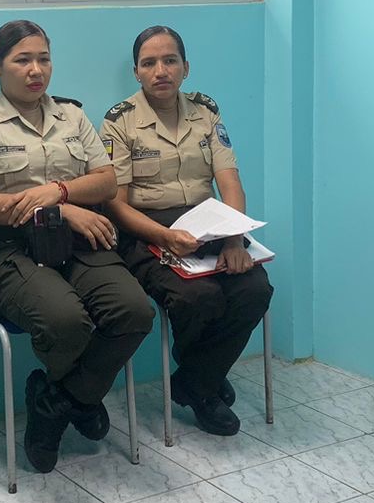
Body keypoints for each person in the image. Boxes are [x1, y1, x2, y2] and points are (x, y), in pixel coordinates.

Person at [0, 19, 154, 472]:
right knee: (65, 321)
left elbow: (107, 180)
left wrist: (57, 193)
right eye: (22, 60)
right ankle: (82, 397)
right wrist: (63, 209)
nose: (35, 69)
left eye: (43, 58)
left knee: (134, 311)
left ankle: (57, 400)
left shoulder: (72, 116)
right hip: (11, 249)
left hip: (80, 241)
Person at [102, 25, 272, 436]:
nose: (161, 70)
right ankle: (205, 381)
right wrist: (164, 237)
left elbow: (230, 182)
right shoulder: (119, 122)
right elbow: (116, 205)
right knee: (197, 297)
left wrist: (234, 239)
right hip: (147, 229)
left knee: (255, 288)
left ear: (186, 67)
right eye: (149, 63)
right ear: (136, 72)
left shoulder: (205, 111)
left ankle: (195, 380)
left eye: (170, 60)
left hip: (209, 224)